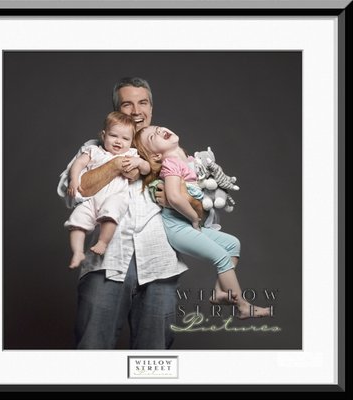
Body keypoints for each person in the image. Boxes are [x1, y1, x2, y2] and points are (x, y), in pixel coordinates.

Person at [70, 77, 203, 349]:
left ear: (151, 108)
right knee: (92, 351)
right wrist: (116, 164)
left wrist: (177, 198)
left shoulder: (169, 150)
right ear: (117, 109)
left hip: (160, 266)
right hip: (106, 264)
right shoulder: (97, 147)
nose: (136, 110)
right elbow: (75, 191)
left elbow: (203, 211)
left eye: (142, 103)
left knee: (153, 358)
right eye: (127, 104)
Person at [133, 125, 271, 318]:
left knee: (233, 244)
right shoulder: (171, 164)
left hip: (187, 224)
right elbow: (174, 197)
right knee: (221, 257)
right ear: (156, 156)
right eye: (151, 137)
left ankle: (219, 292)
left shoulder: (190, 161)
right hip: (178, 228)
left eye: (157, 128)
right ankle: (242, 306)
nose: (158, 131)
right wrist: (194, 218)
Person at [64, 111, 150, 268]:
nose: (118, 141)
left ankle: (103, 242)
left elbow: (146, 169)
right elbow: (78, 164)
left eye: (125, 139)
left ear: (131, 142)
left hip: (115, 197)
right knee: (77, 219)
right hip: (92, 199)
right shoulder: (94, 150)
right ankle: (77, 252)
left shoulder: (131, 154)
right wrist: (74, 180)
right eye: (113, 135)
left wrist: (139, 162)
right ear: (104, 135)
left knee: (111, 213)